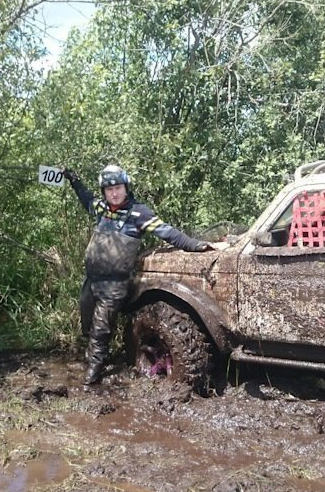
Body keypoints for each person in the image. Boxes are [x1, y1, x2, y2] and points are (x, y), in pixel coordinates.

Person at [63, 164, 214, 385]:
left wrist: (195, 245)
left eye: (118, 188)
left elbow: (167, 232)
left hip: (115, 284)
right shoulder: (101, 209)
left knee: (101, 328)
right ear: (104, 192)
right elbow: (86, 198)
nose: (114, 193)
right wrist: (74, 180)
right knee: (88, 322)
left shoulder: (138, 213)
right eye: (109, 189)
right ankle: (94, 354)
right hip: (91, 279)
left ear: (126, 188)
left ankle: (93, 372)